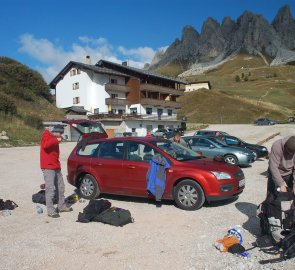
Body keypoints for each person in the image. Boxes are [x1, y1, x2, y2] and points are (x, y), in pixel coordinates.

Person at [40, 125, 72, 218]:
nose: (61, 135)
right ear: (55, 131)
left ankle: (61, 206)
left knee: (60, 187)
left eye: (62, 133)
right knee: (50, 189)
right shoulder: (46, 135)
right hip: (48, 167)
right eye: (60, 133)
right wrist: (56, 140)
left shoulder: (54, 137)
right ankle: (50, 211)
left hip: (56, 166)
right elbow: (45, 145)